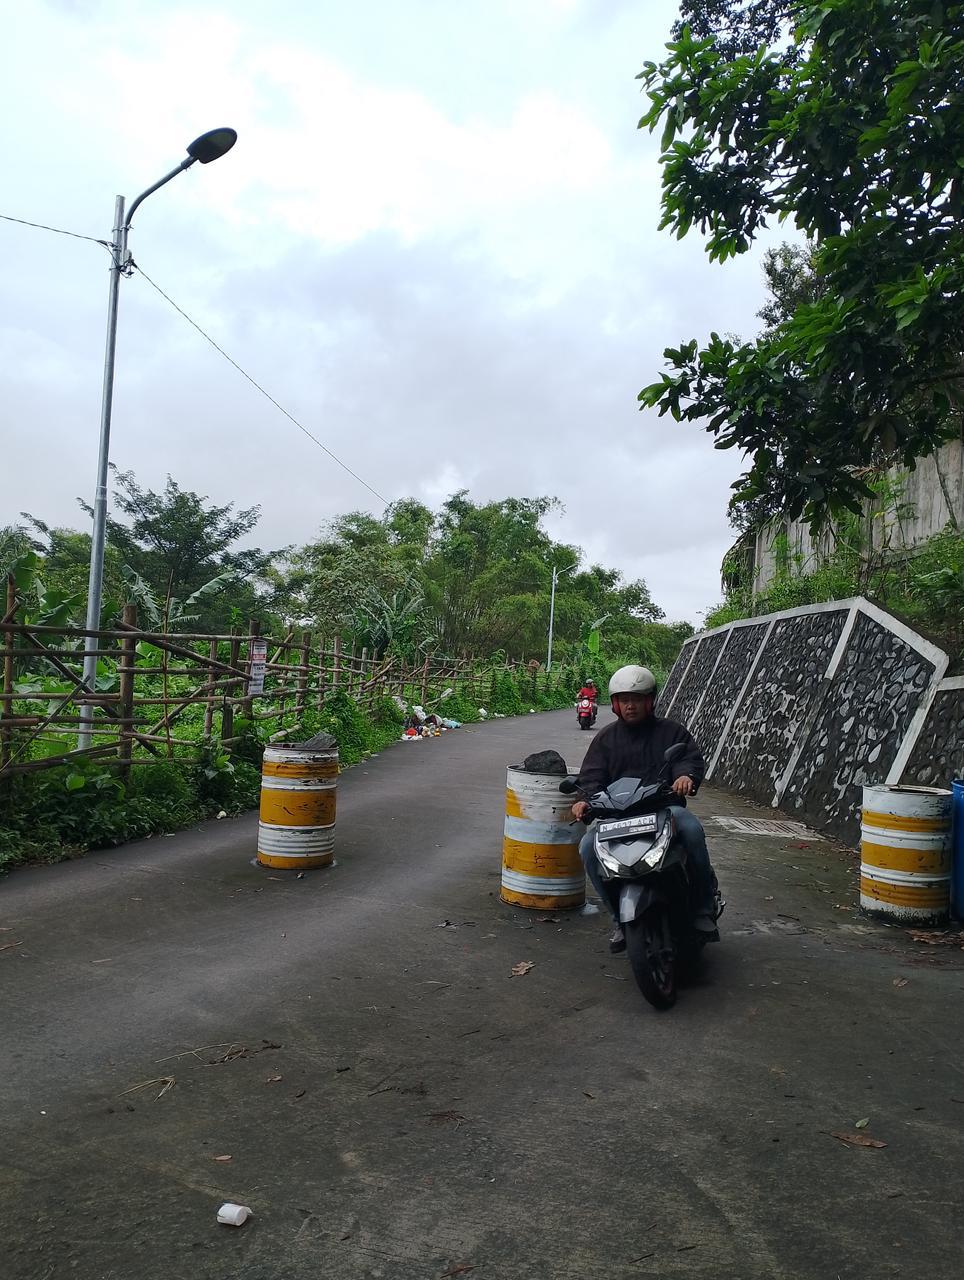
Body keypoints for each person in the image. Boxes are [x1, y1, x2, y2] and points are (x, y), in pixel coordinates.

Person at [570, 664, 718, 953]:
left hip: (663, 810)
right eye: (624, 700)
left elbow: (687, 759)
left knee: (691, 828)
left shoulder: (671, 732)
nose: (631, 706)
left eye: (637, 699)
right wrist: (584, 800)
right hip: (618, 817)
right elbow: (591, 776)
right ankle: (618, 918)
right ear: (615, 704)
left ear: (650, 701)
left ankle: (703, 907)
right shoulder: (606, 739)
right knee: (587, 847)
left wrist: (685, 777)